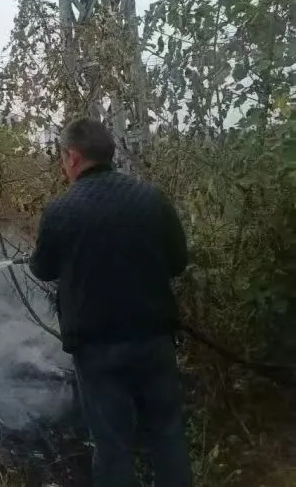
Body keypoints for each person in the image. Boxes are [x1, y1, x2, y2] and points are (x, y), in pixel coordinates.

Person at [26, 117, 192, 487]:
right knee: (166, 436)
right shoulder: (151, 198)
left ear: (72, 157)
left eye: (62, 158)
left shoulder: (61, 211)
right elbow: (178, 262)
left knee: (113, 447)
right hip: (154, 339)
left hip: (97, 349)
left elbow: (43, 269)